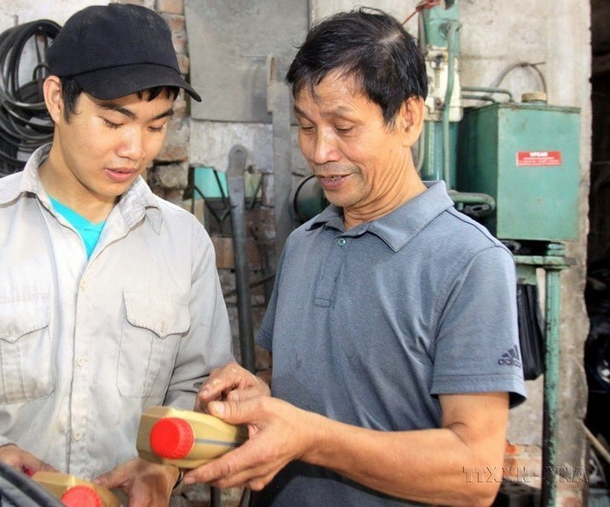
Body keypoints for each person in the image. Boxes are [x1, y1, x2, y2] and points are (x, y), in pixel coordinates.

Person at [0, 4, 233, 504]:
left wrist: (162, 467)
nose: (135, 149)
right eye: (113, 122)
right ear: (56, 99)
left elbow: (198, 383)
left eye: (156, 126)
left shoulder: (183, 243)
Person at [186, 7, 526, 506]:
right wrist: (258, 393)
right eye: (306, 126)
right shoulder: (305, 244)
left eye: (344, 128)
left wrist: (313, 438)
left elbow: (474, 472)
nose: (320, 151)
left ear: (408, 119)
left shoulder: (469, 260)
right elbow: (311, 392)